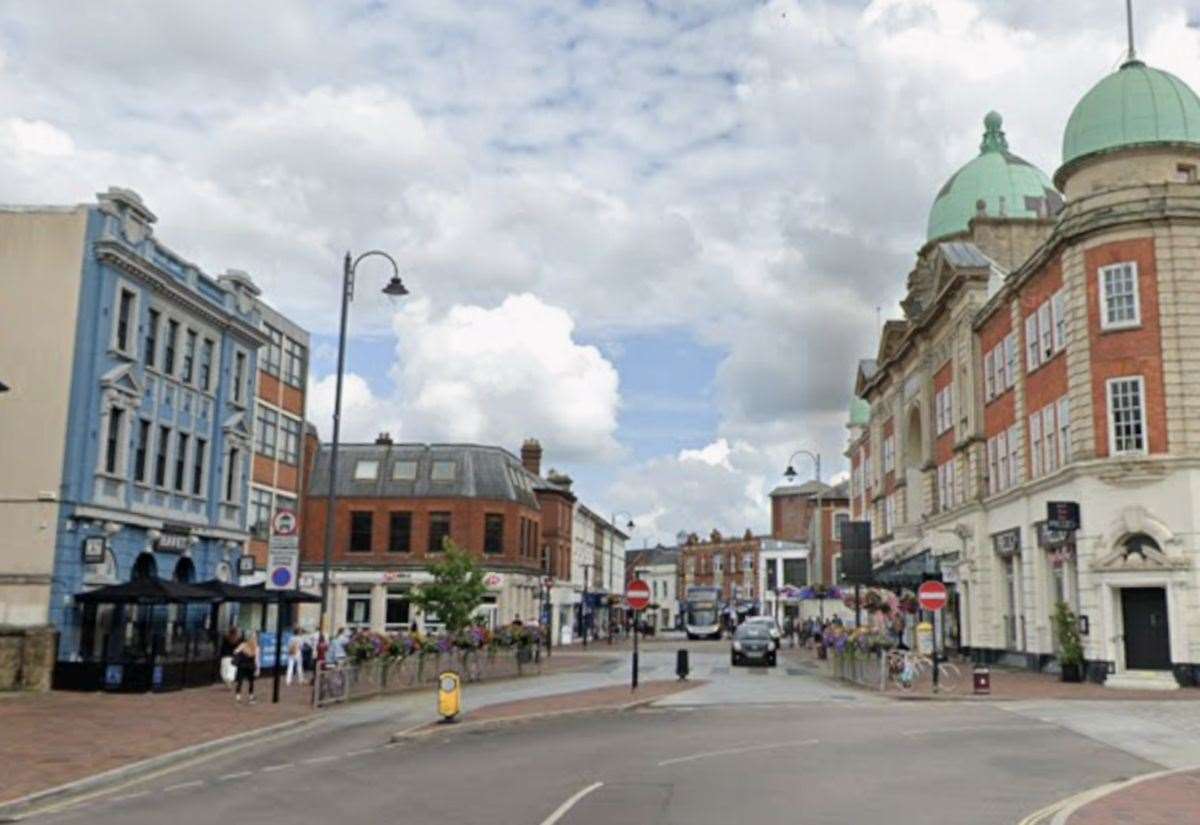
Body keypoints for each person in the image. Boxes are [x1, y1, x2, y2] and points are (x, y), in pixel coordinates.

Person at [233, 631, 260, 704]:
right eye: (254, 637)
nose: (255, 639)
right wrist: (257, 669)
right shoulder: (256, 647)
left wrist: (242, 654)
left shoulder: (243, 645)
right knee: (251, 682)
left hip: (242, 665)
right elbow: (257, 659)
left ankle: (238, 697)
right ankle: (251, 697)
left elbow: (235, 652)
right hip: (250, 666)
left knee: (240, 681)